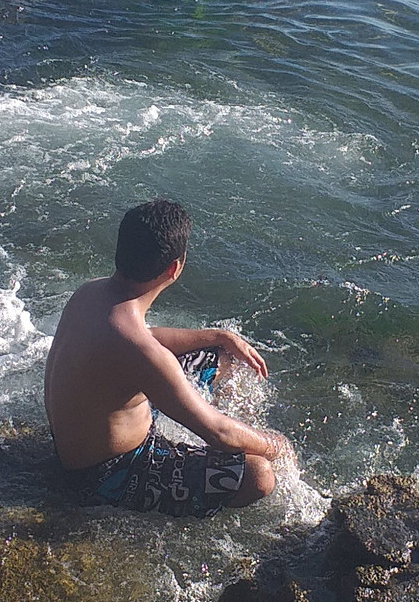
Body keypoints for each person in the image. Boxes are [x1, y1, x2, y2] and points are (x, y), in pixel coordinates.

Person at [44, 199, 292, 518]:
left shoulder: (90, 293)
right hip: (107, 475)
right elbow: (219, 433)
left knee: (219, 356)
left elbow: (142, 339)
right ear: (174, 268)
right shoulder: (140, 353)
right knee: (259, 474)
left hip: (84, 442)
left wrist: (217, 336)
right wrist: (276, 446)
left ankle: (219, 419)